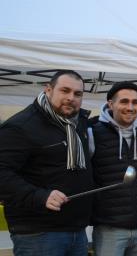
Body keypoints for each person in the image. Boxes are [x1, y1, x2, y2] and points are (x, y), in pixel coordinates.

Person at [0, 70, 94, 255]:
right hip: (39, 234)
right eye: (64, 90)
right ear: (48, 90)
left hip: (77, 230)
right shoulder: (21, 126)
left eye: (77, 94)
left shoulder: (76, 123)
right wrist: (40, 196)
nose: (71, 97)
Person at [88, 82, 137, 256]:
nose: (130, 107)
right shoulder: (92, 133)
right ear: (111, 104)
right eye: (124, 101)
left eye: (135, 102)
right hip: (109, 229)